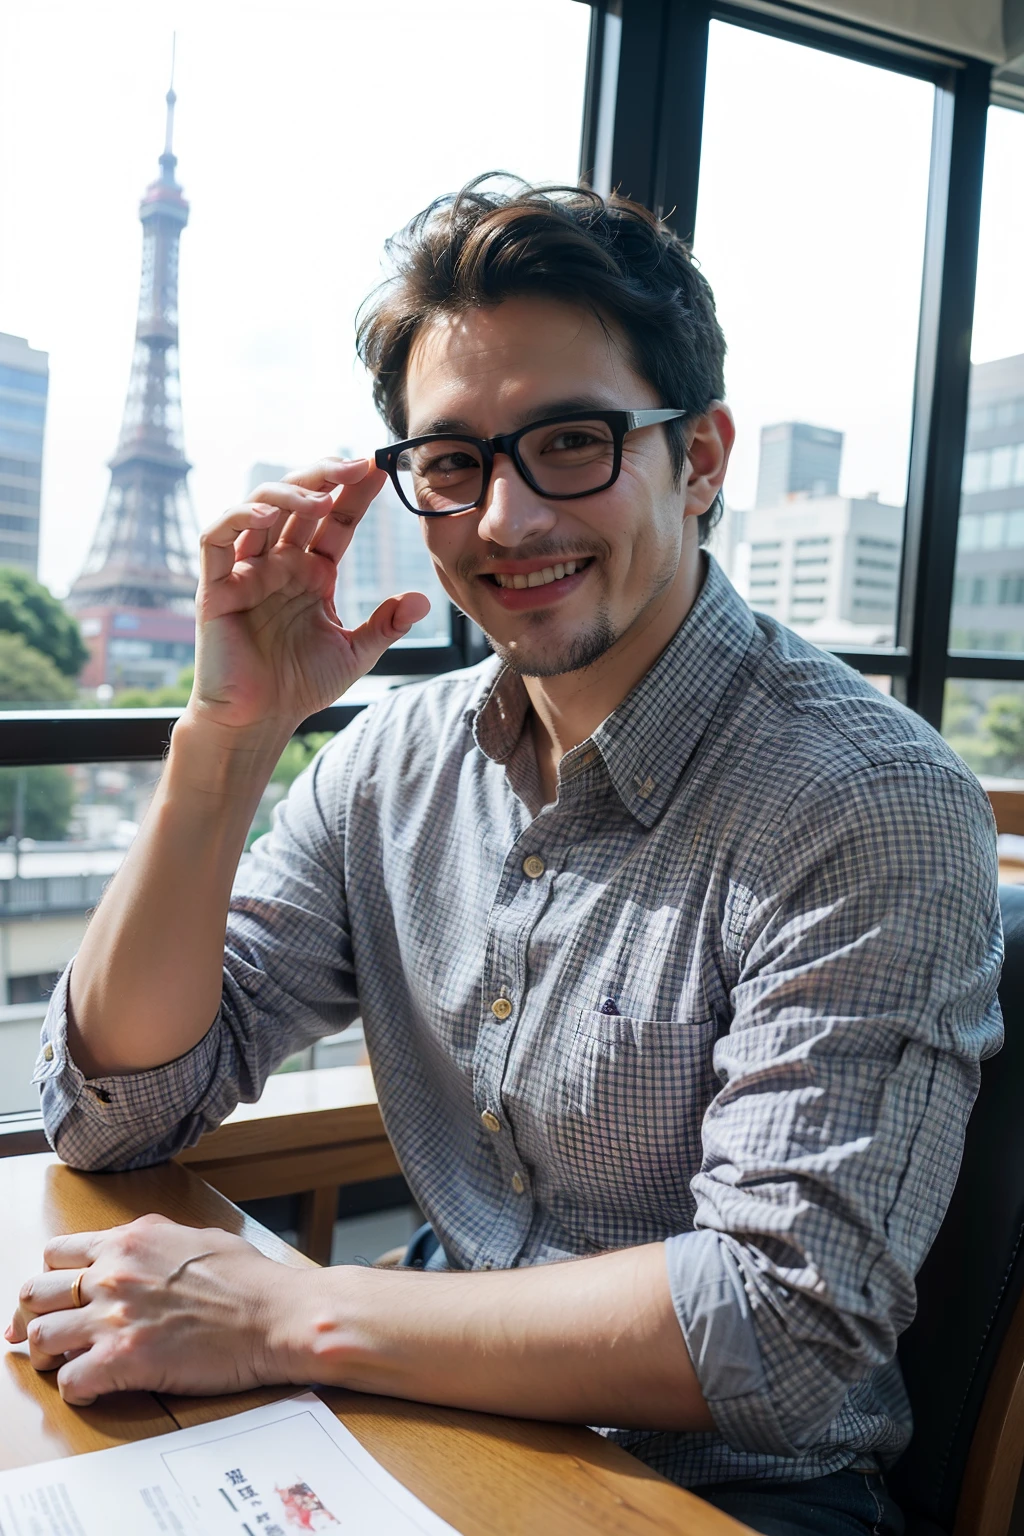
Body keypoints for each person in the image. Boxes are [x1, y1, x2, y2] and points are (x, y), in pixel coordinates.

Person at [9, 179, 1001, 1536]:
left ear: (699, 459)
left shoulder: (866, 803)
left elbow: (782, 1324)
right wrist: (229, 738)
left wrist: (292, 1309)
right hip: (411, 1418)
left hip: (731, 1495)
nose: (506, 521)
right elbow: (117, 1109)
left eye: (572, 442)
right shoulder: (389, 762)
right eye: (456, 461)